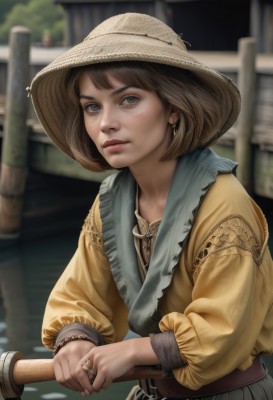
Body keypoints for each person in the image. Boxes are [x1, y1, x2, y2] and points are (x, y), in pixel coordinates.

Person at [28, 12, 273, 400]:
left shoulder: (226, 207)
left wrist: (132, 349)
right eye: (92, 107)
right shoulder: (112, 201)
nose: (106, 123)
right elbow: (83, 293)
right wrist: (75, 340)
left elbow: (222, 333)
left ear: (173, 107)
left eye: (128, 100)